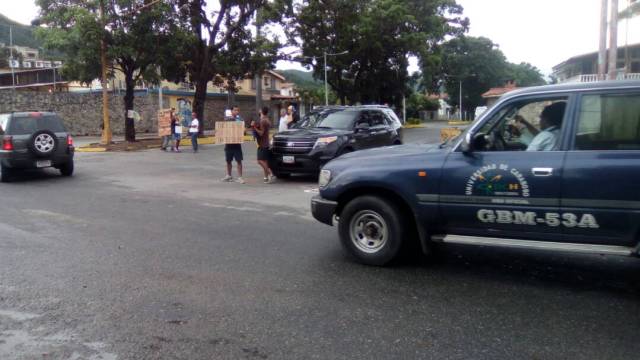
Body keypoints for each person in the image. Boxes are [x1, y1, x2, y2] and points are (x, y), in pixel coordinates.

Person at [222, 106, 245, 184]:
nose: (237, 111)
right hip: (228, 143)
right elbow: (223, 126)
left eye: (238, 110)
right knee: (228, 160)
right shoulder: (227, 118)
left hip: (237, 143)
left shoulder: (240, 119)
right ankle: (229, 175)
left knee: (239, 160)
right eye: (235, 110)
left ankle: (240, 177)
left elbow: (243, 129)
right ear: (231, 111)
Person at [253, 106, 275, 183]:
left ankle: (270, 173)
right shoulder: (267, 120)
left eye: (260, 109)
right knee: (265, 161)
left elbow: (261, 133)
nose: (259, 110)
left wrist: (254, 127)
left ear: (262, 111)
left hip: (263, 144)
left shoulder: (262, 121)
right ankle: (266, 177)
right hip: (266, 143)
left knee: (259, 161)